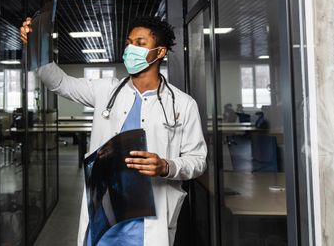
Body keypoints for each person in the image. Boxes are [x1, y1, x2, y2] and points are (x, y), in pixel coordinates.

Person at [21, 16, 207, 246]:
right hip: (105, 213)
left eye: (140, 43)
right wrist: (37, 47)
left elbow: (198, 161)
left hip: (149, 220)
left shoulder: (182, 104)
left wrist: (165, 166)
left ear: (160, 52)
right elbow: (59, 82)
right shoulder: (105, 90)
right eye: (129, 42)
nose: (130, 49)